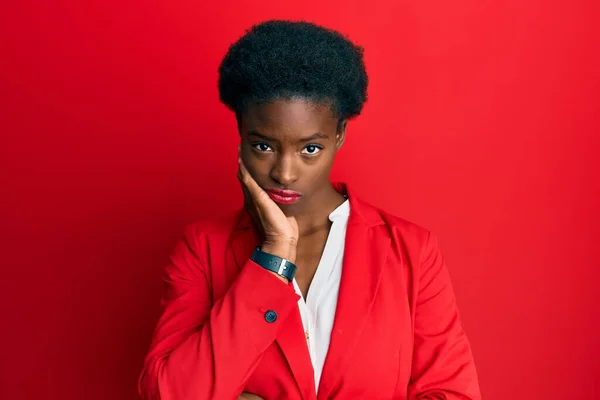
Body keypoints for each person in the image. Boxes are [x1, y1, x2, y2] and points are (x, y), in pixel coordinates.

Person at [138, 20, 481, 400]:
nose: (285, 173)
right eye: (263, 146)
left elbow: (453, 394)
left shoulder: (411, 251)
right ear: (241, 130)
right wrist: (272, 259)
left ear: (339, 135)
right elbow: (170, 393)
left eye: (310, 149)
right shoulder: (202, 249)